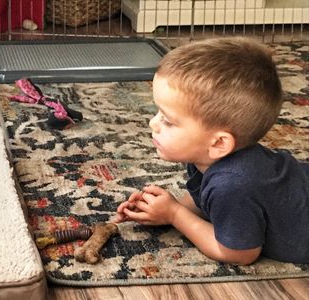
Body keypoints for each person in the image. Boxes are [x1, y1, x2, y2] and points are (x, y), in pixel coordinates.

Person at [114, 37, 309, 265]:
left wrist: (175, 215)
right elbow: (202, 198)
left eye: (167, 120)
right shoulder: (205, 156)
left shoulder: (233, 185)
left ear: (218, 144)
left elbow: (238, 253)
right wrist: (164, 209)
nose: (152, 123)